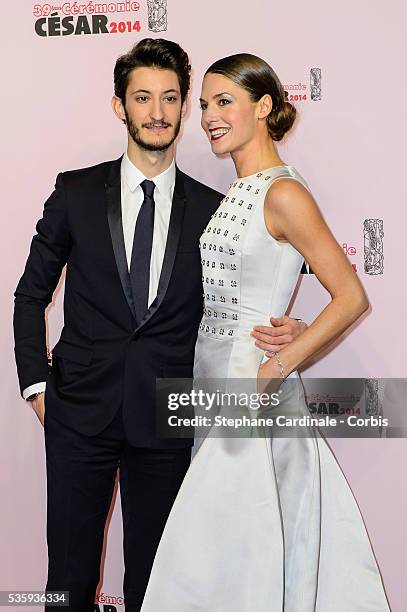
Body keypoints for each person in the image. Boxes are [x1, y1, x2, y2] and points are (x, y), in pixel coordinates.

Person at [13, 40, 302, 611]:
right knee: (66, 582)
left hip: (169, 417)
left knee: (158, 581)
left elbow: (233, 299)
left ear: (183, 107)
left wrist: (284, 328)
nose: (158, 112)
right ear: (120, 106)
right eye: (143, 98)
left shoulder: (213, 209)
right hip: (78, 413)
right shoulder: (74, 191)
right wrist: (38, 387)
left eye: (170, 98)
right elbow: (29, 296)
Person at [140, 54, 391, 611]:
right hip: (217, 379)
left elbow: (350, 296)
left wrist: (276, 367)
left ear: (264, 106)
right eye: (203, 104)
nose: (208, 116)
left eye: (223, 102)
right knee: (236, 540)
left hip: (249, 386)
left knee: (230, 541)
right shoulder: (241, 189)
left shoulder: (283, 193)